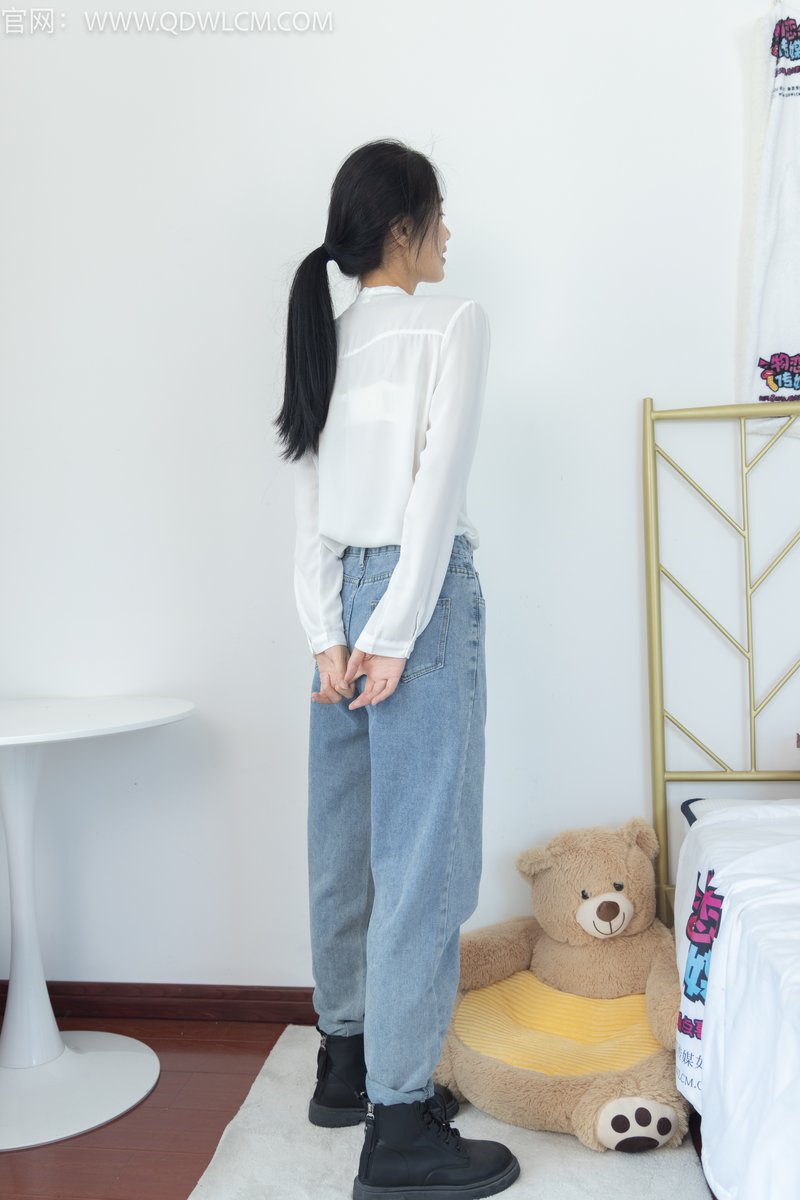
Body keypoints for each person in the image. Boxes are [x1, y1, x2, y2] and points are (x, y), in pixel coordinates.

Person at [274, 138, 520, 1200]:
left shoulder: (323, 338)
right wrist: (400, 629)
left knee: (342, 843)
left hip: (339, 612)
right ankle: (402, 1124)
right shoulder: (450, 323)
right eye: (439, 215)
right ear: (402, 228)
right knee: (423, 859)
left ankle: (345, 1063)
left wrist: (327, 638)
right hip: (414, 607)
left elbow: (309, 508)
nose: (450, 235)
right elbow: (434, 488)